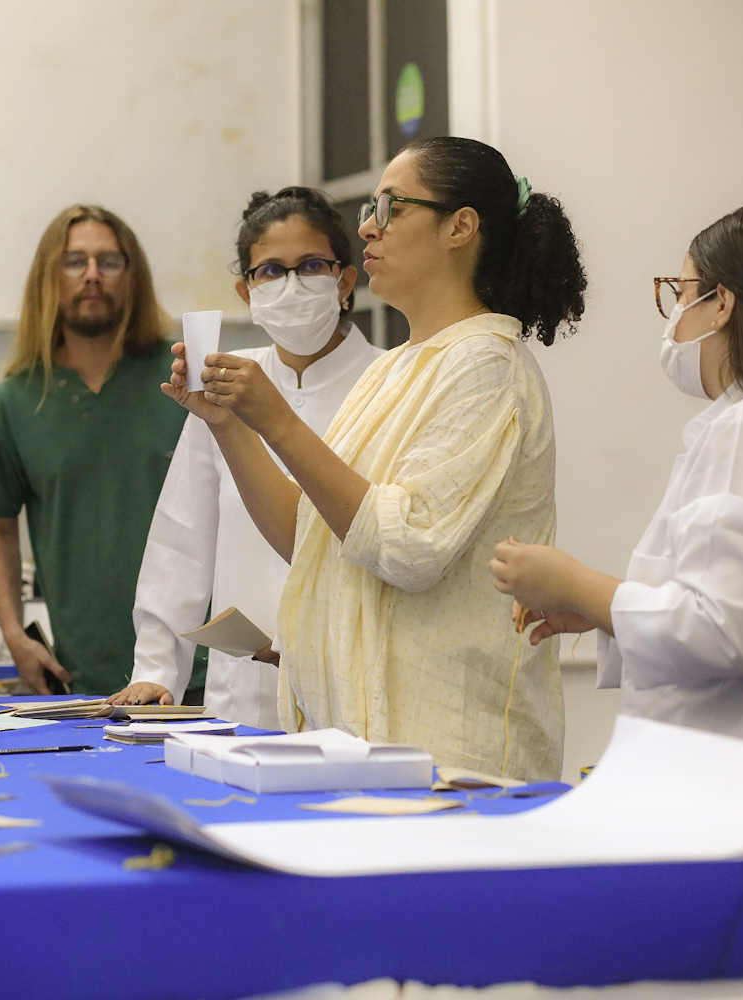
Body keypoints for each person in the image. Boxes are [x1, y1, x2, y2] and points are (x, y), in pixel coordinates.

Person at [165, 136, 586, 780]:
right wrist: (230, 425)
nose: (367, 226)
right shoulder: (392, 369)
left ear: (460, 227)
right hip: (367, 744)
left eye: (390, 207)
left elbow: (409, 547)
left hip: (451, 750)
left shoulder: (487, 365)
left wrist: (276, 418)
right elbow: (310, 537)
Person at [491, 205, 743, 759]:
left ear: (721, 303)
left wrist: (580, 584)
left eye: (682, 291)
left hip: (734, 799)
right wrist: (603, 609)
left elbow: (722, 632)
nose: (675, 313)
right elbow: (739, 608)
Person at [111, 187, 383, 726]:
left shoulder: (388, 381)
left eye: (310, 266)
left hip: (355, 677)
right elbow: (181, 539)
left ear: (346, 280)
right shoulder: (221, 385)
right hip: (244, 690)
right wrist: (156, 670)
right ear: (246, 291)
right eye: (270, 271)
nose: (291, 284)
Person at [0, 205, 184, 696]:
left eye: (109, 261)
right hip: (81, 681)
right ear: (49, 276)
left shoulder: (182, 378)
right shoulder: (15, 400)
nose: (92, 275)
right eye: (75, 262)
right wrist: (13, 634)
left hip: (194, 672)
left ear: (133, 275)